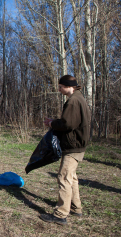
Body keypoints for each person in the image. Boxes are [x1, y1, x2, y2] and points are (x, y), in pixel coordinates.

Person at [40, 75, 91, 225]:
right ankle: (76, 208)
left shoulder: (74, 101)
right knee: (72, 178)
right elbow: (69, 122)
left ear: (69, 86)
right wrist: (55, 122)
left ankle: (60, 214)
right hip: (77, 145)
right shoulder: (78, 98)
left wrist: (52, 123)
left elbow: (68, 124)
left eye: (61, 86)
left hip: (73, 146)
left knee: (64, 178)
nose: (59, 89)